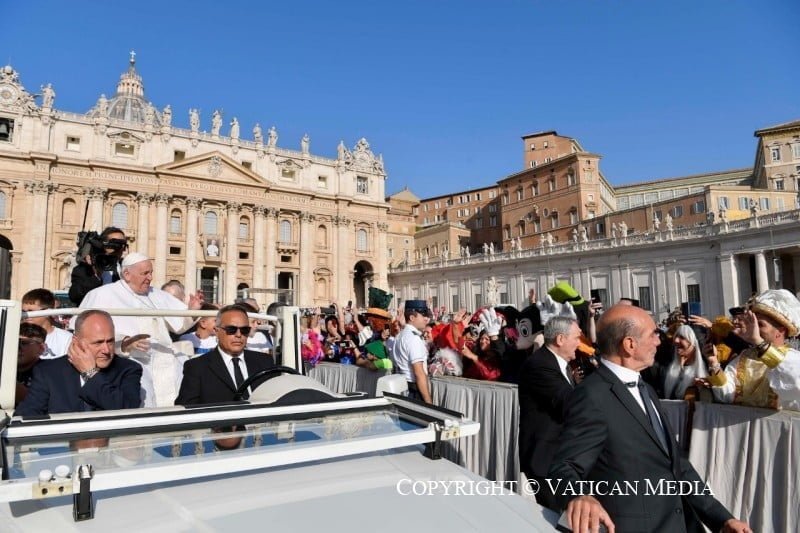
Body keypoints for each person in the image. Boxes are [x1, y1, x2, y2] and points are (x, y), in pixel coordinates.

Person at [548, 304, 750, 533]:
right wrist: (579, 496)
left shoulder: (646, 389)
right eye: (653, 334)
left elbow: (677, 466)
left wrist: (721, 519)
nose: (659, 341)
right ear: (629, 345)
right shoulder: (592, 396)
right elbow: (563, 467)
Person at [78, 252, 204, 407]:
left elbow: (178, 326)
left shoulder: (157, 294)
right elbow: (88, 332)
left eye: (151, 273)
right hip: (132, 363)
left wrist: (191, 311)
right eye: (145, 273)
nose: (150, 277)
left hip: (166, 361)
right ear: (127, 274)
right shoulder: (103, 294)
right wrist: (124, 343)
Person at [16, 310, 143, 416]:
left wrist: (90, 374)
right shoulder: (48, 371)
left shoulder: (128, 369)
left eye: (110, 341)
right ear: (76, 341)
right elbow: (26, 415)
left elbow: (127, 411)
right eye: (97, 343)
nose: (106, 350)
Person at [518, 316, 582, 511]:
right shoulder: (540, 365)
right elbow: (569, 403)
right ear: (560, 339)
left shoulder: (559, 364)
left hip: (559, 457)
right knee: (558, 516)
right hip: (545, 459)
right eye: (577, 338)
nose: (579, 344)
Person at [705, 289, 800, 410]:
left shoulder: (792, 359)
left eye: (759, 325)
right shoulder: (745, 356)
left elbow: (795, 385)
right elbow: (726, 397)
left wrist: (759, 342)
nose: (753, 328)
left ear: (780, 332)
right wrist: (714, 363)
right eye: (752, 324)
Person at [175, 305, 276, 405]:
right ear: (217, 331)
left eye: (244, 330)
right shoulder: (197, 367)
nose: (238, 335)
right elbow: (186, 410)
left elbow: (276, 400)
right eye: (231, 330)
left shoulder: (265, 362)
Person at [69, 226, 128, 305]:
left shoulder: (126, 267)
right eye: (115, 243)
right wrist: (97, 274)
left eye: (123, 244)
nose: (119, 247)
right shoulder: (85, 269)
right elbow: (75, 296)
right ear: (104, 244)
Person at [392, 300, 432, 403]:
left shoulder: (400, 335)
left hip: (400, 387)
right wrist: (429, 403)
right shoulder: (413, 338)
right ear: (412, 318)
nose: (426, 318)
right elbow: (419, 373)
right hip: (412, 390)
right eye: (423, 315)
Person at [21, 288, 73, 359]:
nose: (26, 315)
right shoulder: (14, 335)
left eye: (31, 311)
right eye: (23, 311)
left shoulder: (67, 339)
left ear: (47, 312)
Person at [662, 325, 708, 400]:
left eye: (682, 337)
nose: (676, 340)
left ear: (694, 344)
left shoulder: (704, 373)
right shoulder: (666, 368)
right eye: (676, 336)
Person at [16, 323, 47, 406]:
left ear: (41, 348)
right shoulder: (3, 367)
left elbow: (40, 403)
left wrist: (9, 383)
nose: (17, 347)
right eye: (14, 342)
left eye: (24, 343)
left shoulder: (49, 372)